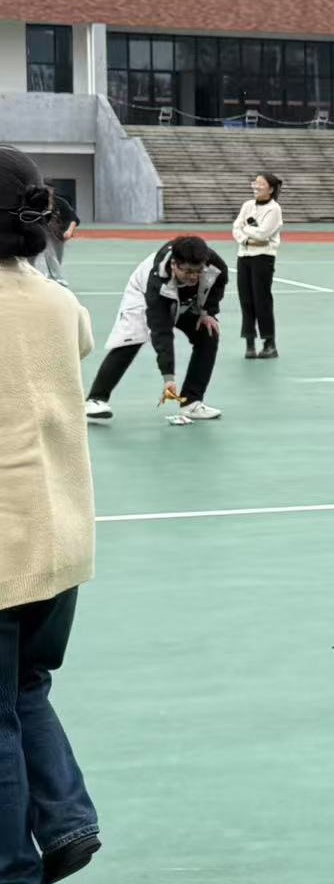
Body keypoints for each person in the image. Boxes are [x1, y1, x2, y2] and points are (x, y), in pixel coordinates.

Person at [0, 148, 101, 884]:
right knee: (26, 683)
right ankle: (65, 819)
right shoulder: (59, 301)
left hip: (4, 543)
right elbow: (82, 346)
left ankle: (14, 866)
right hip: (60, 539)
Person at [84, 236, 226, 425]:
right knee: (131, 339)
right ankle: (96, 399)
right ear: (175, 264)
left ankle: (191, 402)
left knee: (208, 332)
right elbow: (161, 331)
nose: (193, 276)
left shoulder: (214, 264)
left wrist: (208, 311)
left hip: (186, 301)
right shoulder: (155, 280)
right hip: (144, 296)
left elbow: (219, 282)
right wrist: (168, 376)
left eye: (198, 271)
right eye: (188, 271)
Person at [233, 172, 283, 360]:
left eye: (261, 183)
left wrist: (245, 231)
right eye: (255, 182)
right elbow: (236, 227)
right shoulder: (247, 205)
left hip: (263, 258)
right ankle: (249, 343)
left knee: (261, 300)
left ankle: (269, 344)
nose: (256, 186)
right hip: (244, 256)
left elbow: (263, 234)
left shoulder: (274, 209)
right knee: (246, 300)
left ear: (270, 189)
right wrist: (247, 238)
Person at [31, 192, 78, 284]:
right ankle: (57, 277)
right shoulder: (37, 201)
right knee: (49, 253)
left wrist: (69, 231)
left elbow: (74, 218)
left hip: (59, 232)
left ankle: (52, 274)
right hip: (43, 230)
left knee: (57, 256)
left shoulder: (61, 202)